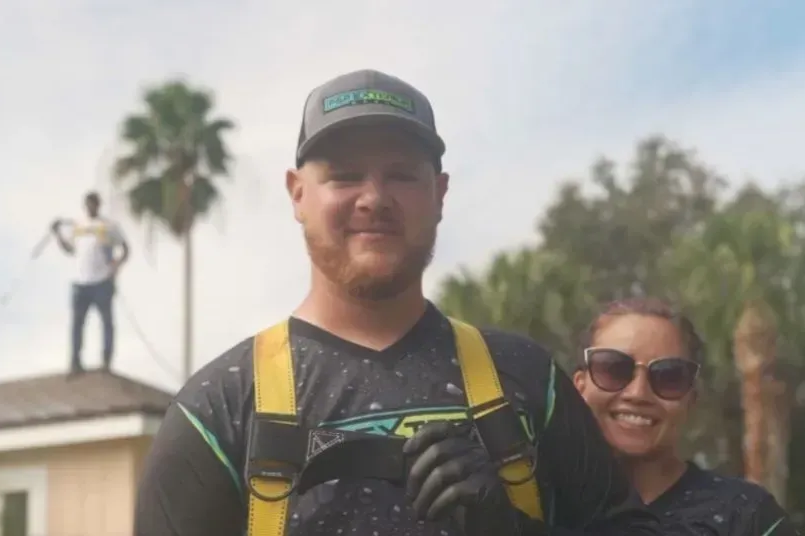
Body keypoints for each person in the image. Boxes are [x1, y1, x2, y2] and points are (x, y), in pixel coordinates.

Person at [135, 69, 665, 536]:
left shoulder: (526, 379)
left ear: (439, 194)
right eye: (344, 175)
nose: (374, 198)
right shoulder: (218, 409)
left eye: (402, 175)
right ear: (297, 194)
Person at [573, 297, 798, 536]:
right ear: (579, 387)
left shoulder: (747, 517)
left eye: (669, 377)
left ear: (691, 399)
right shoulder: (541, 504)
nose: (638, 393)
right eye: (614, 369)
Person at [52, 191, 129, 376]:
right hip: (80, 283)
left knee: (107, 323)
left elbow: (125, 248)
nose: (91, 207)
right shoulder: (78, 225)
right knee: (77, 324)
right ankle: (75, 363)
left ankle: (106, 361)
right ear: (85, 205)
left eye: (94, 204)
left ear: (98, 205)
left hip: (102, 282)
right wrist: (57, 235)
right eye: (88, 204)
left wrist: (116, 265)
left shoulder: (108, 226)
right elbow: (70, 249)